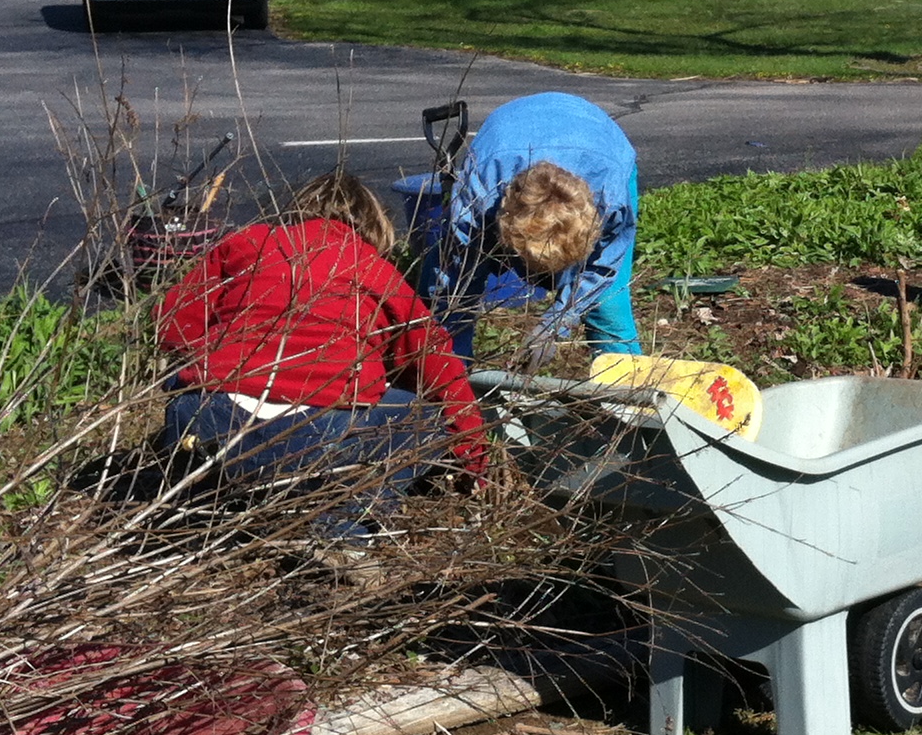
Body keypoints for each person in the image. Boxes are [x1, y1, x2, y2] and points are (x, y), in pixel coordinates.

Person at [158, 170, 486, 528]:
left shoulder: (246, 242)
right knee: (424, 419)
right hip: (316, 433)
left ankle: (201, 509)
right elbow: (441, 370)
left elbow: (173, 326)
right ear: (374, 227)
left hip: (206, 416)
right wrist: (474, 461)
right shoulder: (376, 270)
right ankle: (342, 525)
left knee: (185, 397)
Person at [432, 92, 641, 358]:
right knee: (453, 304)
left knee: (608, 303)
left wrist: (558, 324)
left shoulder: (612, 200)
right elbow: (461, 279)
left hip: (602, 145)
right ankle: (449, 380)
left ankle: (624, 383)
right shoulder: (480, 195)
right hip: (507, 137)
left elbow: (601, 268)